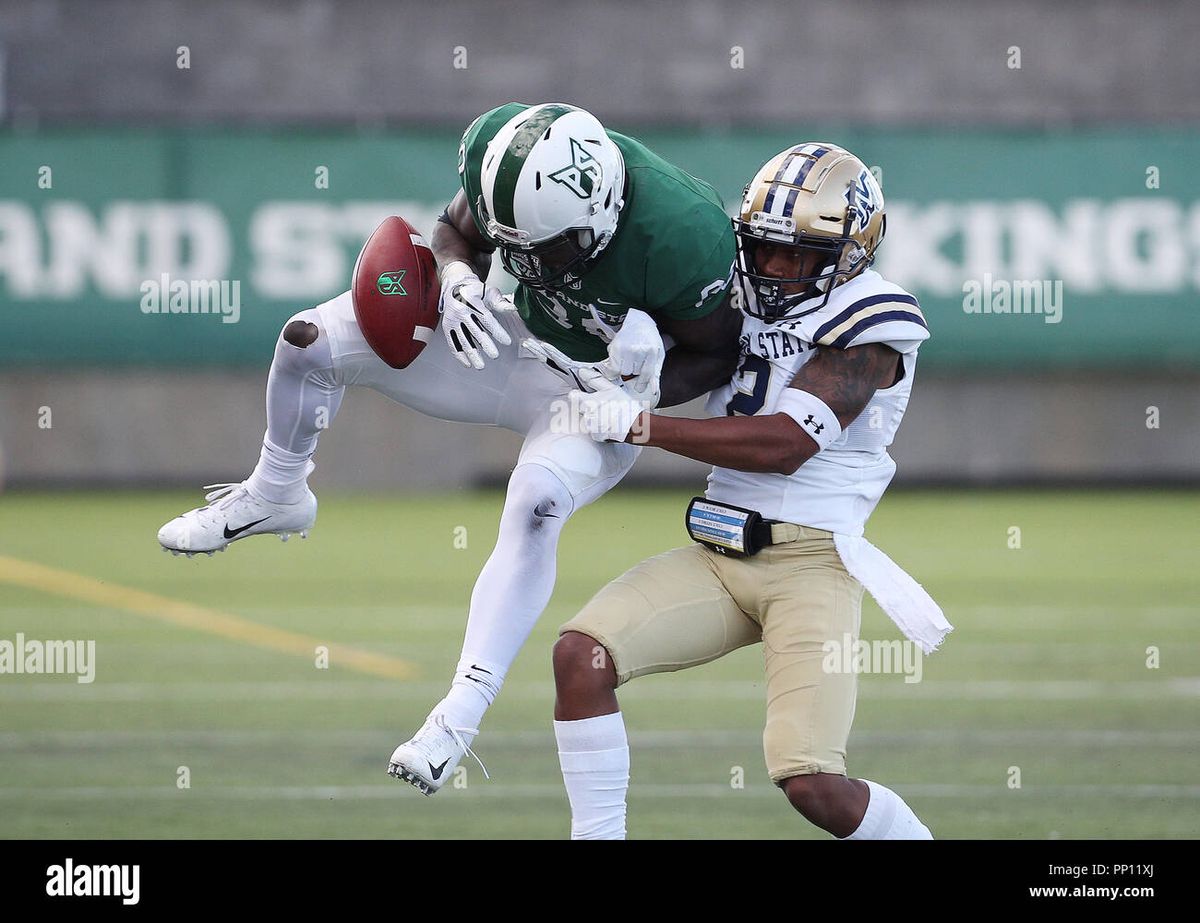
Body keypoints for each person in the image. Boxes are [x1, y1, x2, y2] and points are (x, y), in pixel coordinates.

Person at [155, 102, 743, 795]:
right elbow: (456, 230)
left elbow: (719, 356)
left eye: (545, 248)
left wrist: (640, 391)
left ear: (604, 211)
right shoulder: (510, 155)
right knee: (307, 339)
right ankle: (276, 490)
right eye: (513, 243)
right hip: (498, 336)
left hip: (595, 388)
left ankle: (458, 715)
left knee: (537, 501)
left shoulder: (684, 232)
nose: (525, 260)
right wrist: (459, 276)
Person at [551, 142, 953, 839]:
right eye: (763, 249)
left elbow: (785, 443)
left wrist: (642, 426)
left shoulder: (875, 318)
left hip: (812, 564)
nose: (771, 269)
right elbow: (702, 364)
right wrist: (619, 377)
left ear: (850, 250)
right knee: (580, 656)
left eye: (795, 255)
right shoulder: (738, 289)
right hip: (719, 552)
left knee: (812, 781)